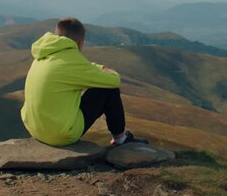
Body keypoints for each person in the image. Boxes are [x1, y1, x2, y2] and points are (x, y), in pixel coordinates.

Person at [20, 17, 148, 147]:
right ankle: (120, 139)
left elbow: (78, 68)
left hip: (35, 129)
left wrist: (94, 67)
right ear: (80, 43)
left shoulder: (42, 54)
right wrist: (104, 69)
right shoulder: (71, 61)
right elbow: (114, 80)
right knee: (109, 90)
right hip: (60, 135)